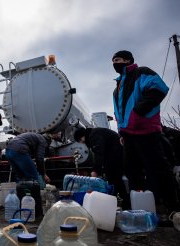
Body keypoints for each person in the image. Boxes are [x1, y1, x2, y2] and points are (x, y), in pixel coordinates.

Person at [111, 50, 180, 213]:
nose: (114, 63)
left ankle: (174, 208)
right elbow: (118, 112)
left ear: (128, 60)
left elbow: (159, 88)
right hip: (128, 135)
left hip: (146, 131)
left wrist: (139, 113)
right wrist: (121, 132)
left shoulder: (141, 73)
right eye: (113, 60)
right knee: (131, 170)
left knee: (158, 168)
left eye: (118, 59)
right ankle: (141, 208)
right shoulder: (118, 86)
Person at [74, 127, 129, 207]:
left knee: (115, 179)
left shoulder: (94, 136)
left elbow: (99, 153)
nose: (82, 143)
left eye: (80, 140)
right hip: (115, 156)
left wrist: (95, 170)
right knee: (114, 180)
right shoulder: (95, 133)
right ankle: (117, 201)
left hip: (116, 157)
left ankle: (122, 203)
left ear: (81, 137)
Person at [5, 132, 52, 217]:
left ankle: (21, 209)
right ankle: (36, 211)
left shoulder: (34, 137)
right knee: (33, 179)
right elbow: (39, 158)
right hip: (19, 150)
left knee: (21, 180)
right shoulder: (43, 141)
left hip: (8, 151)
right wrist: (43, 174)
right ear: (48, 142)